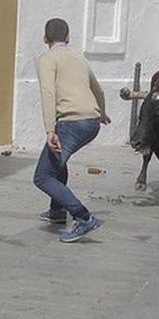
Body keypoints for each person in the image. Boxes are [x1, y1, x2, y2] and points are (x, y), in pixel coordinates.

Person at [33, 18, 112, 243]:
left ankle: (83, 217)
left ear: (45, 39)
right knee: (58, 162)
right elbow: (98, 89)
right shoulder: (78, 57)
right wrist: (102, 113)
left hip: (71, 123)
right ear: (68, 38)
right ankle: (57, 211)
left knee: (42, 176)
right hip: (91, 122)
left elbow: (48, 93)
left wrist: (50, 129)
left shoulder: (47, 59)